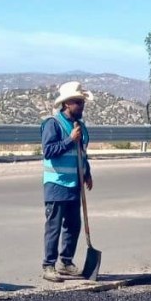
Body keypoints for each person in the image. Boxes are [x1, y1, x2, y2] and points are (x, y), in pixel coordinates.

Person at [39, 81, 94, 283]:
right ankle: (48, 265)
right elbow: (49, 151)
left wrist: (87, 172)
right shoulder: (53, 124)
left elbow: (82, 153)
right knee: (54, 227)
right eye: (78, 102)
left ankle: (66, 262)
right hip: (56, 184)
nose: (81, 106)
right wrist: (70, 139)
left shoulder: (81, 127)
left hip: (74, 184)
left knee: (73, 225)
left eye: (82, 102)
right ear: (66, 104)